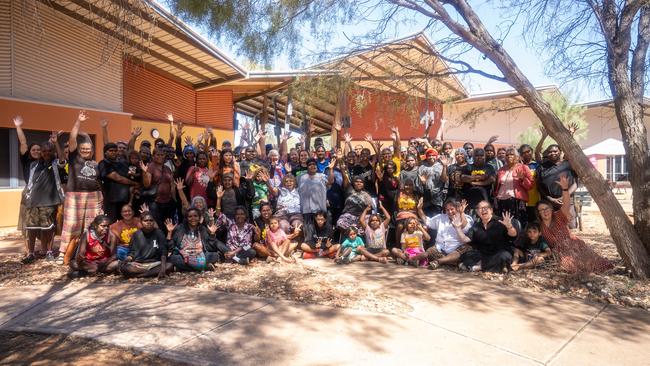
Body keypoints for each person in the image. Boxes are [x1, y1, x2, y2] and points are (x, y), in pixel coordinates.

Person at [537, 175, 613, 274]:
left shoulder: (558, 216)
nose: (545, 211)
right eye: (541, 210)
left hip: (574, 245)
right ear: (538, 213)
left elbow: (567, 204)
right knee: (571, 268)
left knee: (599, 264)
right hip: (560, 253)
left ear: (551, 210)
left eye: (546, 209)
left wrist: (565, 189)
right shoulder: (540, 227)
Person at [57, 111, 105, 265]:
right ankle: (63, 252)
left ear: (92, 151)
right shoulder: (74, 159)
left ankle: (88, 251)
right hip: (75, 195)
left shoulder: (95, 164)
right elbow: (72, 139)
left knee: (91, 224)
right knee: (71, 224)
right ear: (78, 150)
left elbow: (98, 181)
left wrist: (100, 196)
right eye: (83, 148)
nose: (85, 150)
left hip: (93, 196)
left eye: (88, 149)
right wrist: (78, 121)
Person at [20, 133, 66, 263]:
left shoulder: (56, 164)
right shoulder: (33, 165)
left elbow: (62, 159)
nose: (46, 153)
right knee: (31, 229)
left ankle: (49, 252)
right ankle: (31, 253)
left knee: (49, 229)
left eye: (48, 151)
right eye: (43, 151)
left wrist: (56, 142)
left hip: (50, 202)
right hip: (33, 201)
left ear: (52, 152)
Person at [455, 201, 519, 273]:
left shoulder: (501, 221)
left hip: (499, 253)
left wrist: (509, 227)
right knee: (466, 255)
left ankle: (478, 267)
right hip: (483, 254)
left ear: (491, 210)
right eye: (480, 208)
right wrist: (458, 228)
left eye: (485, 208)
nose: (483, 210)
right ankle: (492, 266)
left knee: (504, 256)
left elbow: (514, 235)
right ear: (477, 212)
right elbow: (465, 239)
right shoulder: (476, 226)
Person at [418, 198, 474, 270]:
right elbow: (427, 221)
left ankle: (439, 262)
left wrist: (461, 213)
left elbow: (464, 226)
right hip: (440, 250)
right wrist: (419, 209)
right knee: (429, 252)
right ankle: (450, 263)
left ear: (457, 208)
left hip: (456, 251)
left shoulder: (466, 218)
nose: (450, 212)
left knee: (467, 249)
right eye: (447, 210)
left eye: (452, 209)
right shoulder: (441, 217)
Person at [537, 144, 578, 228]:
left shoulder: (569, 165)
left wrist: (563, 196)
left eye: (555, 151)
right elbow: (539, 186)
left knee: (569, 227)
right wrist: (550, 199)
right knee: (551, 228)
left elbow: (576, 183)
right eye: (550, 152)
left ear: (560, 152)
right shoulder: (542, 167)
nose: (552, 153)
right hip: (549, 203)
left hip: (567, 201)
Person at [120, 212, 172, 278]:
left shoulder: (159, 233)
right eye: (146, 220)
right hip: (139, 264)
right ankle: (150, 273)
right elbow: (132, 253)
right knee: (124, 268)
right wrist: (126, 260)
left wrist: (163, 268)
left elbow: (163, 252)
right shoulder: (136, 234)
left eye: (151, 220)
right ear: (141, 222)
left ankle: (141, 275)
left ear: (154, 222)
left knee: (169, 265)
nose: (148, 222)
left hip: (154, 264)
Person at [493, 147, 533, 227]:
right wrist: (495, 197)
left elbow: (530, 186)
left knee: (516, 224)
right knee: (502, 225)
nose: (509, 156)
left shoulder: (523, 167)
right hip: (501, 201)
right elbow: (497, 185)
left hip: (516, 201)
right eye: (507, 155)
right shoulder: (501, 169)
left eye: (512, 154)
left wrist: (522, 179)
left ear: (517, 157)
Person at [99, 142, 139, 223]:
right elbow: (118, 178)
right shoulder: (103, 163)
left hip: (125, 200)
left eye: (115, 150)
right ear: (105, 152)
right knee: (111, 223)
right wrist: (134, 183)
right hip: (111, 200)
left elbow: (130, 152)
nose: (113, 152)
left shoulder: (122, 163)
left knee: (125, 223)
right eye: (111, 151)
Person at [142, 148, 176, 231]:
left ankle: (168, 240)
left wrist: (174, 199)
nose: (160, 156)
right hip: (155, 202)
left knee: (168, 224)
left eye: (162, 155)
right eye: (157, 154)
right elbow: (147, 185)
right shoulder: (150, 167)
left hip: (168, 201)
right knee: (157, 225)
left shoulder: (167, 168)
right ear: (153, 156)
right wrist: (144, 172)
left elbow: (172, 184)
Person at [298, 158, 335, 224]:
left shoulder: (322, 176)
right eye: (310, 165)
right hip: (307, 210)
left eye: (314, 164)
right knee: (309, 232)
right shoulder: (301, 177)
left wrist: (331, 169)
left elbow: (331, 181)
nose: (312, 166)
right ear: (307, 167)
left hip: (320, 209)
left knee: (321, 231)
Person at [519, 144, 541, 223]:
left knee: (534, 223)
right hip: (521, 200)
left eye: (528, 151)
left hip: (534, 199)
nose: (526, 154)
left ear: (532, 151)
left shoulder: (537, 165)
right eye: (523, 153)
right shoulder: (518, 166)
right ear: (520, 155)